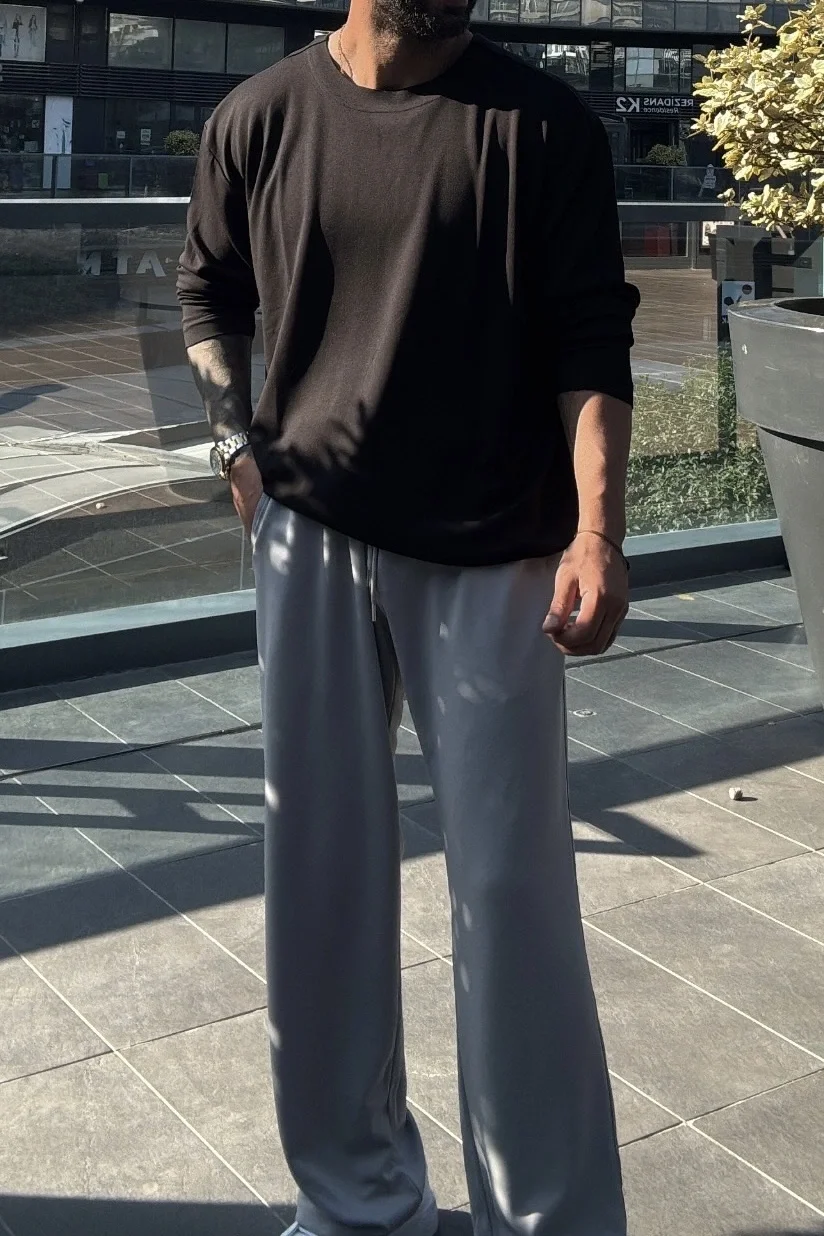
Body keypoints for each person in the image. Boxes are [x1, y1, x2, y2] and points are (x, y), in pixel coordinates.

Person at [177, 0, 639, 1231]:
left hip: (496, 552)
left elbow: (590, 339)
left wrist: (597, 530)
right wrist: (233, 447)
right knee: (316, 877)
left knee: (513, 894)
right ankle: (354, 1201)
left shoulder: (542, 125)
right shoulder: (259, 117)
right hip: (310, 535)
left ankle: (548, 1218)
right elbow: (207, 289)